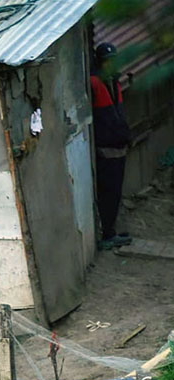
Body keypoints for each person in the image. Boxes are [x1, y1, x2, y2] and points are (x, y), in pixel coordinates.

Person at [90, 42, 133, 250]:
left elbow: (118, 114)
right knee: (108, 193)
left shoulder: (114, 82)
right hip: (106, 148)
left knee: (114, 193)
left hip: (117, 146)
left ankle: (111, 232)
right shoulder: (95, 83)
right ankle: (107, 234)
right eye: (108, 61)